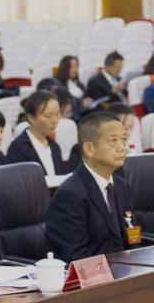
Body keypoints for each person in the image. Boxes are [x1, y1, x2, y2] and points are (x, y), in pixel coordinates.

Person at [46, 111, 132, 263]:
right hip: (95, 275)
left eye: (123, 140)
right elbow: (74, 257)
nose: (122, 148)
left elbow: (132, 236)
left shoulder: (121, 186)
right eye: (113, 141)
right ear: (89, 148)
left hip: (126, 270)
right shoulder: (70, 194)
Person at [4, 90, 68, 175]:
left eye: (57, 114)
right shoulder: (18, 149)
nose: (54, 121)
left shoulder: (55, 147)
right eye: (48, 116)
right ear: (31, 118)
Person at [66, 102, 135, 170]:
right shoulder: (82, 151)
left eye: (130, 127)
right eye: (125, 127)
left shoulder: (128, 154)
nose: (127, 133)